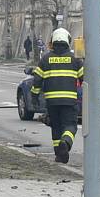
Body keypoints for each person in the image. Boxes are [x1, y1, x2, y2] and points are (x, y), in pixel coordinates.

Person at [30, 28, 83, 164]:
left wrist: (34, 97)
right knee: (70, 126)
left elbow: (37, 80)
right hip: (69, 101)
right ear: (68, 41)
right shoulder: (75, 59)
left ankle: (59, 155)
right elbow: (85, 77)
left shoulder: (45, 59)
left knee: (56, 127)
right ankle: (65, 143)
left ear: (53, 41)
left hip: (52, 102)